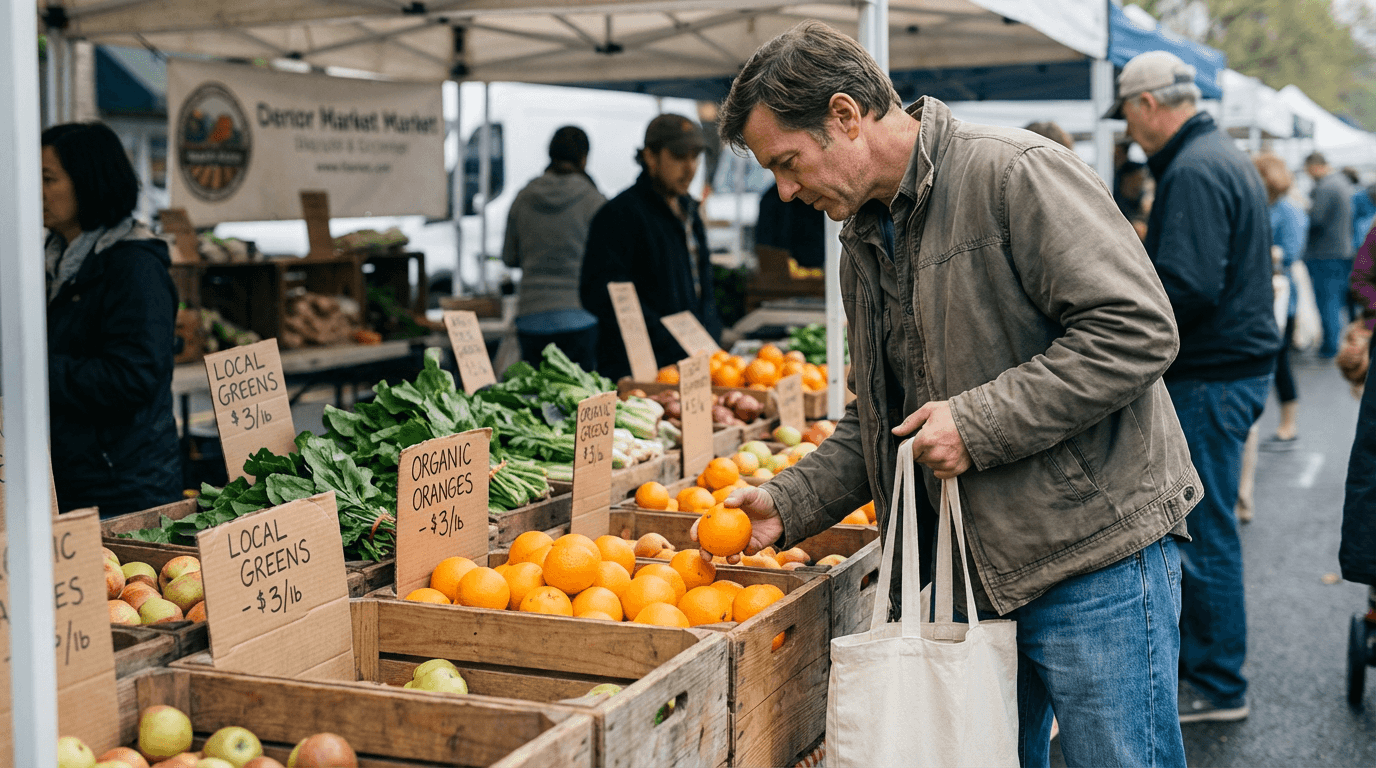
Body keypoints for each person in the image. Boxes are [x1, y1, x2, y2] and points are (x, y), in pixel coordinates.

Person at [710, 21, 1199, 767]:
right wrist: (789, 501)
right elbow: (882, 416)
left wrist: (975, 423)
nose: (784, 189)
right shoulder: (862, 238)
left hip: (1089, 557)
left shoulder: (1015, 172)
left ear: (843, 115)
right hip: (973, 572)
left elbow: (1136, 330)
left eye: (787, 161)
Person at [1114, 50, 1281, 723]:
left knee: (1202, 527)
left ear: (1149, 104)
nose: (1128, 129)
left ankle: (1217, 682)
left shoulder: (1194, 168)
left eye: (1127, 114)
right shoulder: (1215, 155)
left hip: (1214, 375)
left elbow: (1186, 285)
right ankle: (1212, 672)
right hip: (1230, 370)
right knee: (1204, 523)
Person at [42, 122, 181, 517]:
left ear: (88, 181)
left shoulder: (133, 267)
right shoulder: (53, 260)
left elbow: (130, 377)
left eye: (49, 178)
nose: (39, 191)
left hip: (124, 488)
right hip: (71, 477)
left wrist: (34, 373)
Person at [580, 114, 720, 380]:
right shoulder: (620, 215)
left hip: (696, 361)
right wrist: (667, 337)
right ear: (650, 157)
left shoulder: (690, 211)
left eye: (695, 156)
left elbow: (705, 285)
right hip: (641, 371)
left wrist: (711, 333)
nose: (690, 168)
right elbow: (601, 294)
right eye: (679, 157)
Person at [501, 126, 606, 370]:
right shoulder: (594, 200)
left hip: (531, 317)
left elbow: (509, 257)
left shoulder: (523, 197)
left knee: (534, 402)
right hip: (580, 317)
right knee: (583, 400)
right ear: (584, 157)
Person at [1254, 155, 1308, 447]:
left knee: (1280, 360)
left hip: (1280, 296)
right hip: (1262, 293)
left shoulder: (1289, 211)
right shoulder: (1264, 207)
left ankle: (1289, 422)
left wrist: (1268, 253)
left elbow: (1291, 252)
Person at [1303, 151, 1355, 358]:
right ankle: (1334, 342)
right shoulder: (1341, 182)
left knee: (1327, 300)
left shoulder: (1326, 187)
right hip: (1340, 251)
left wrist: (1304, 210)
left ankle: (1330, 346)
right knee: (1335, 299)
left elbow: (1316, 220)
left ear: (1315, 166)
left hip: (1325, 253)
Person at [755, 182, 825, 269]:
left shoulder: (771, 196)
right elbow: (764, 245)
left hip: (813, 265)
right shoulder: (772, 196)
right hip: (786, 266)